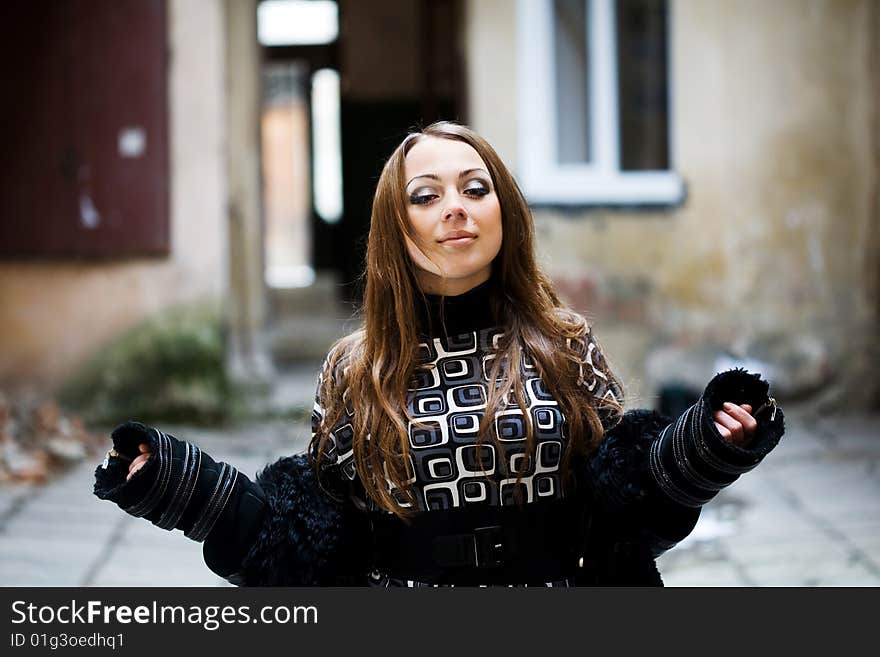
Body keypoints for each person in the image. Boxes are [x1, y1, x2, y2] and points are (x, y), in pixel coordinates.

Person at [94, 121, 785, 586]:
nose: (456, 207)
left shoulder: (563, 341)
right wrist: (181, 487)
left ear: (503, 212)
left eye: (475, 188)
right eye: (426, 196)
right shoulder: (355, 368)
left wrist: (704, 444)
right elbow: (312, 534)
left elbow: (620, 502)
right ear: (397, 226)